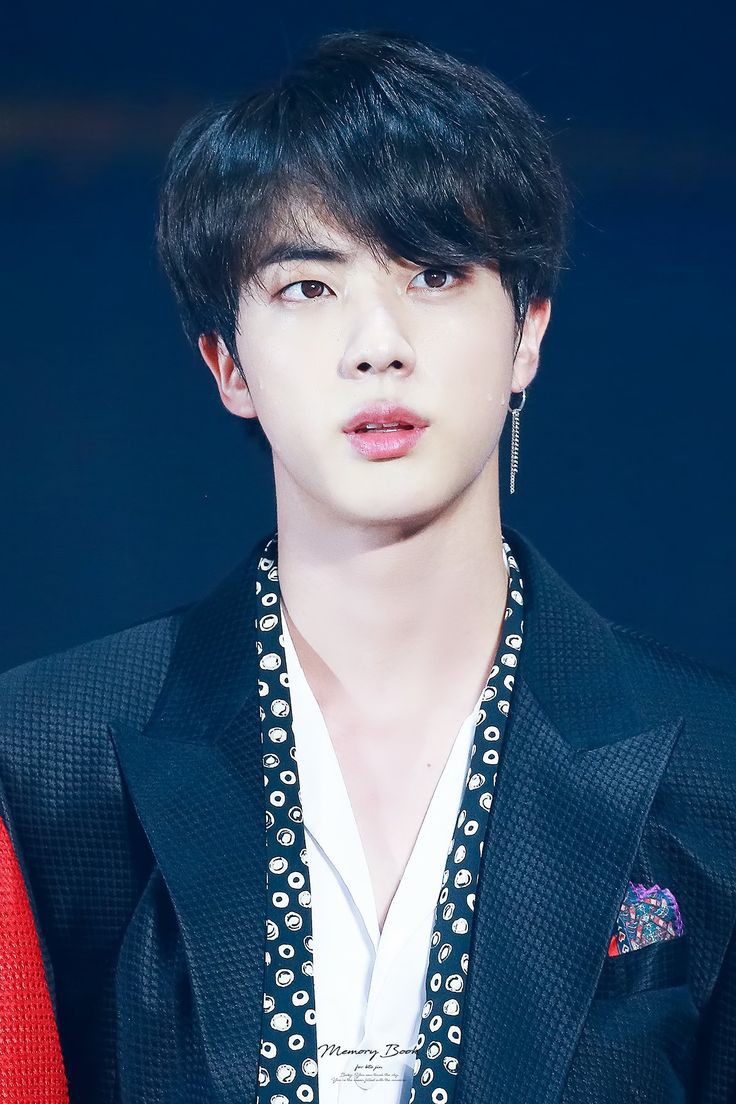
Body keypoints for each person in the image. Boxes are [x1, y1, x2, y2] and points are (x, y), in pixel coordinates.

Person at [0, 27, 734, 1104]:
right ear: (226, 361)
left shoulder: (713, 770)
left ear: (528, 331)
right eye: (308, 287)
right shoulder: (44, 759)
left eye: (434, 273)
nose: (377, 344)